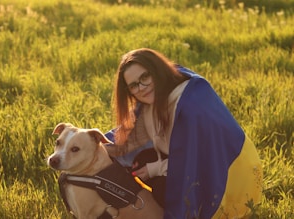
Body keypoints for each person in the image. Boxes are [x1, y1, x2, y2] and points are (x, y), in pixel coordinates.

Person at [104, 48, 263, 219]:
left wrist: (153, 169)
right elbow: (125, 141)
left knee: (161, 188)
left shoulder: (189, 106)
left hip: (232, 178)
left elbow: (196, 163)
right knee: (140, 160)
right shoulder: (150, 103)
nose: (142, 88)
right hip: (194, 162)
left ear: (157, 71)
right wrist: (87, 145)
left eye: (145, 77)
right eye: (134, 85)